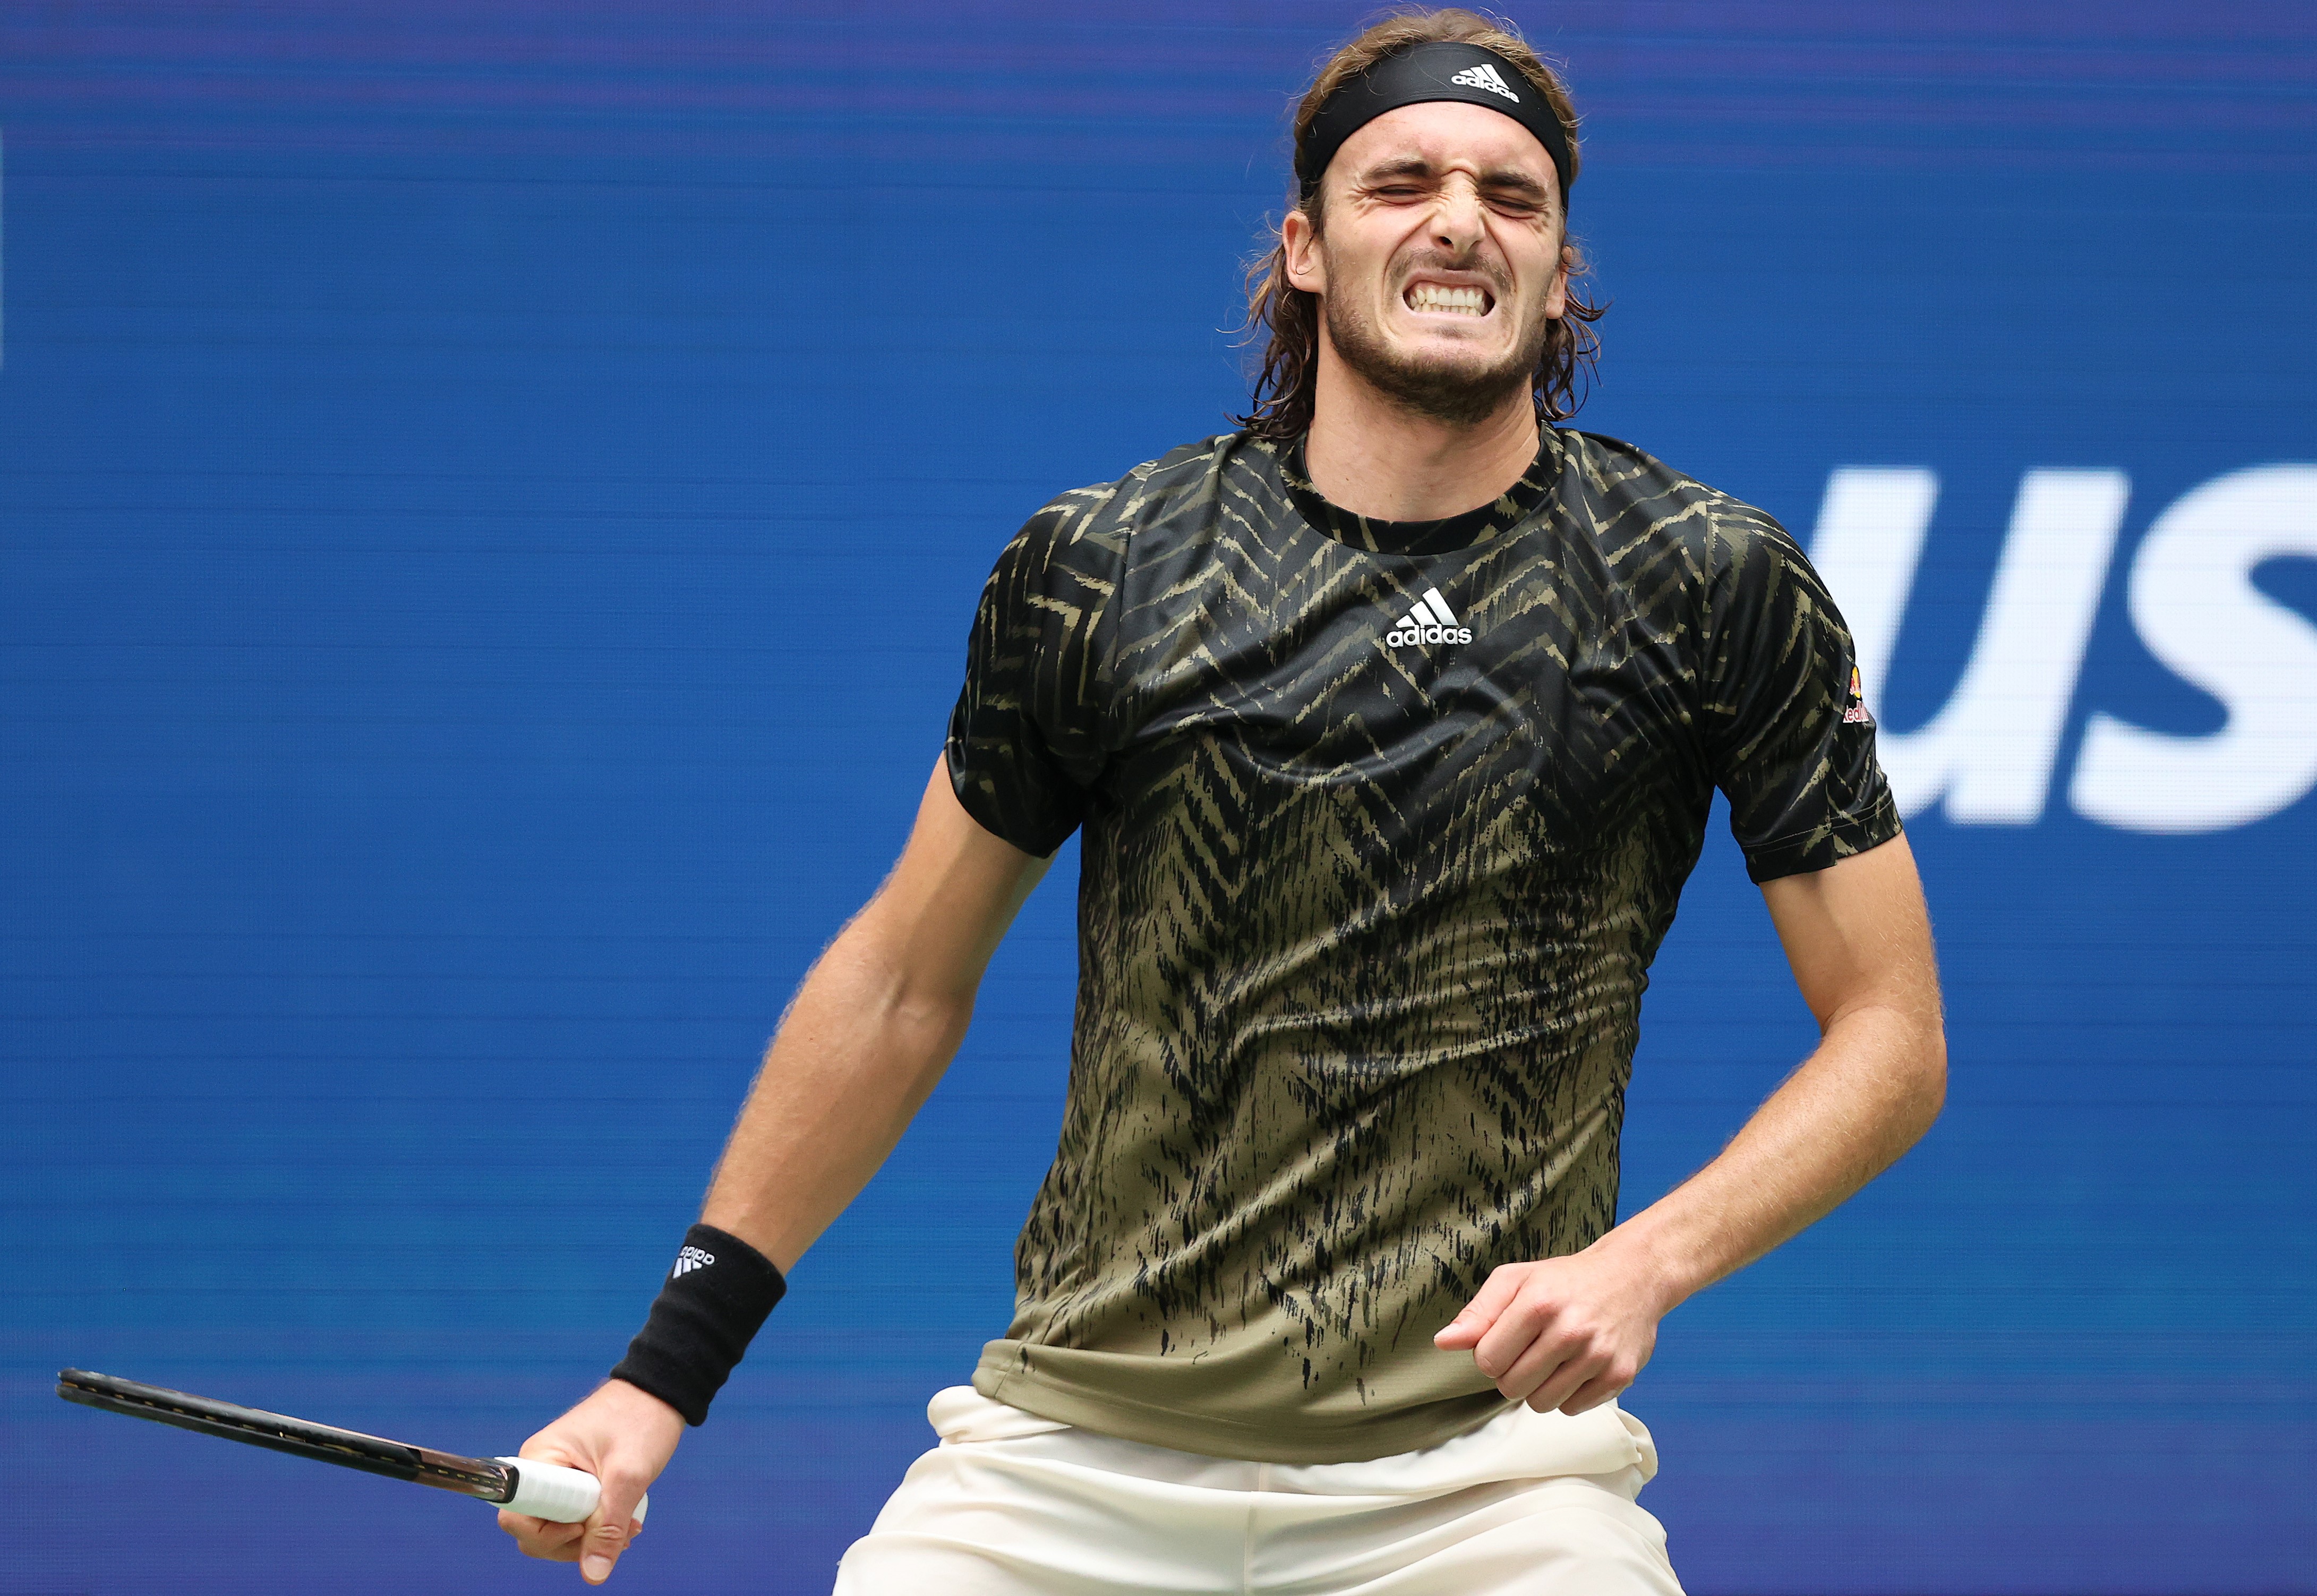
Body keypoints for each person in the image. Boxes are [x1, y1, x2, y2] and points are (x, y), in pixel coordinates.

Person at [497, 8, 1946, 1592]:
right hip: (1069, 1467)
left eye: (1511, 197)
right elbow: (903, 984)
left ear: (1554, 266)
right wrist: (660, 1379)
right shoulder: (1105, 565)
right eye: (1400, 183)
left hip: (1486, 1489)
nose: (1460, 219)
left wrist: (1644, 1263)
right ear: (1306, 248)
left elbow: (1891, 1032)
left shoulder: (1703, 580)